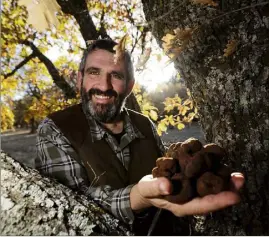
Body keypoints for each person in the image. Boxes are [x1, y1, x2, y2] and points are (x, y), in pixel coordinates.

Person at [35, 39, 244, 235]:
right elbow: (70, 205)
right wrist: (139, 196)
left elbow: (170, 174)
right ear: (80, 79)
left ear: (130, 85)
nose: (104, 86)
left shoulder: (144, 124)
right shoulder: (55, 129)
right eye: (94, 72)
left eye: (116, 75)